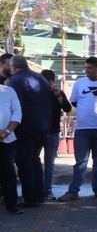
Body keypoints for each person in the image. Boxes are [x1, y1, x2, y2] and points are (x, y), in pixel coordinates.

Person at [58, 56, 97, 202]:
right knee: (80, 163)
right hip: (82, 130)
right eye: (85, 68)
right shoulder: (79, 83)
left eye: (89, 68)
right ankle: (73, 191)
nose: (86, 70)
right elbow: (74, 102)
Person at [7, 55, 52, 206]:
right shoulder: (40, 78)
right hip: (43, 126)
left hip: (25, 127)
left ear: (13, 67)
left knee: (25, 163)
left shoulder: (15, 80)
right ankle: (39, 195)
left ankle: (31, 198)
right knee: (35, 160)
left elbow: (16, 106)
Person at [40, 69, 72, 200]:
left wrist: (58, 95)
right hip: (38, 131)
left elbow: (67, 109)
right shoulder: (37, 93)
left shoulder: (58, 93)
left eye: (49, 81)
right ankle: (37, 188)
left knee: (49, 162)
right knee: (34, 160)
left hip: (52, 131)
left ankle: (47, 189)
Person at [0, 83, 22, 214]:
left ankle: (12, 204)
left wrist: (7, 131)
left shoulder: (8, 91)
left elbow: (17, 112)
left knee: (8, 172)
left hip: (7, 139)